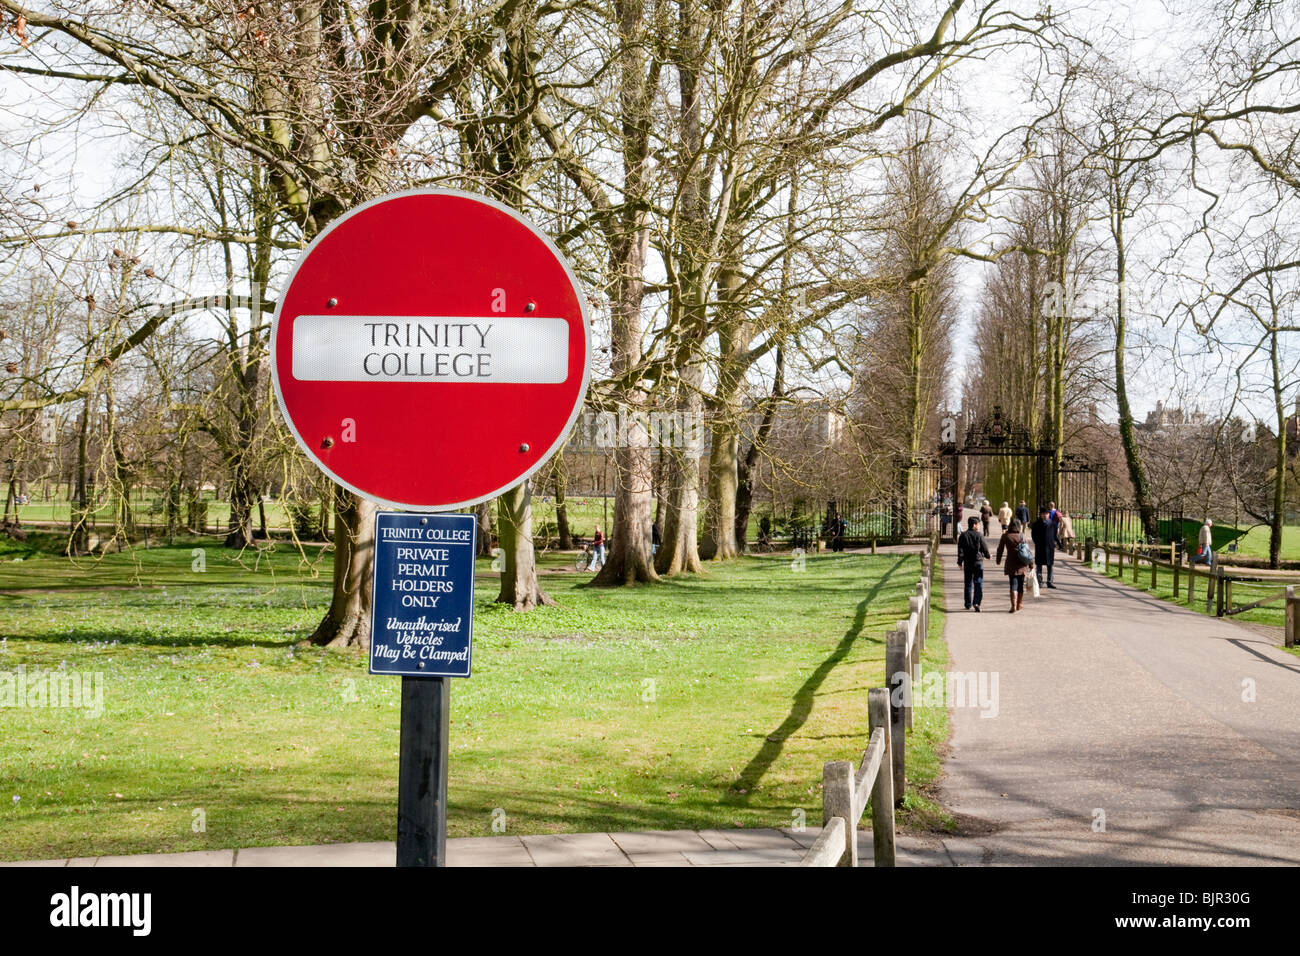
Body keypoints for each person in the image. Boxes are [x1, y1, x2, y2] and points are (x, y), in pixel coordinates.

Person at [996, 519, 1031, 613]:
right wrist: (1031, 564)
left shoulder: (1005, 536)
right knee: (1020, 585)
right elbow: (1027, 551)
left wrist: (998, 560)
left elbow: (1000, 549)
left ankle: (1013, 606)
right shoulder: (1022, 536)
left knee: (1013, 584)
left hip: (1011, 563)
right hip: (1022, 563)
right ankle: (1019, 604)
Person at [957, 516, 991, 611]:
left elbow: (960, 551)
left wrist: (960, 561)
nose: (979, 526)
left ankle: (968, 604)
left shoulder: (963, 535)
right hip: (978, 561)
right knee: (978, 582)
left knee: (968, 583)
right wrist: (988, 556)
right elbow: (984, 548)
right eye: (978, 524)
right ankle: (976, 602)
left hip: (968, 562)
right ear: (974, 525)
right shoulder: (979, 535)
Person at [1030, 506, 1058, 588]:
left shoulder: (1053, 524)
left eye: (1046, 514)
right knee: (1039, 565)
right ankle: (1040, 581)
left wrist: (1054, 543)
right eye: (1043, 514)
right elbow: (1033, 535)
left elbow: (1055, 535)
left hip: (1049, 548)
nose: (1045, 515)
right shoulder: (1036, 524)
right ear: (1040, 515)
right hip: (1040, 547)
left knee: (1050, 565)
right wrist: (1037, 543)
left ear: (1049, 514)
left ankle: (1050, 581)